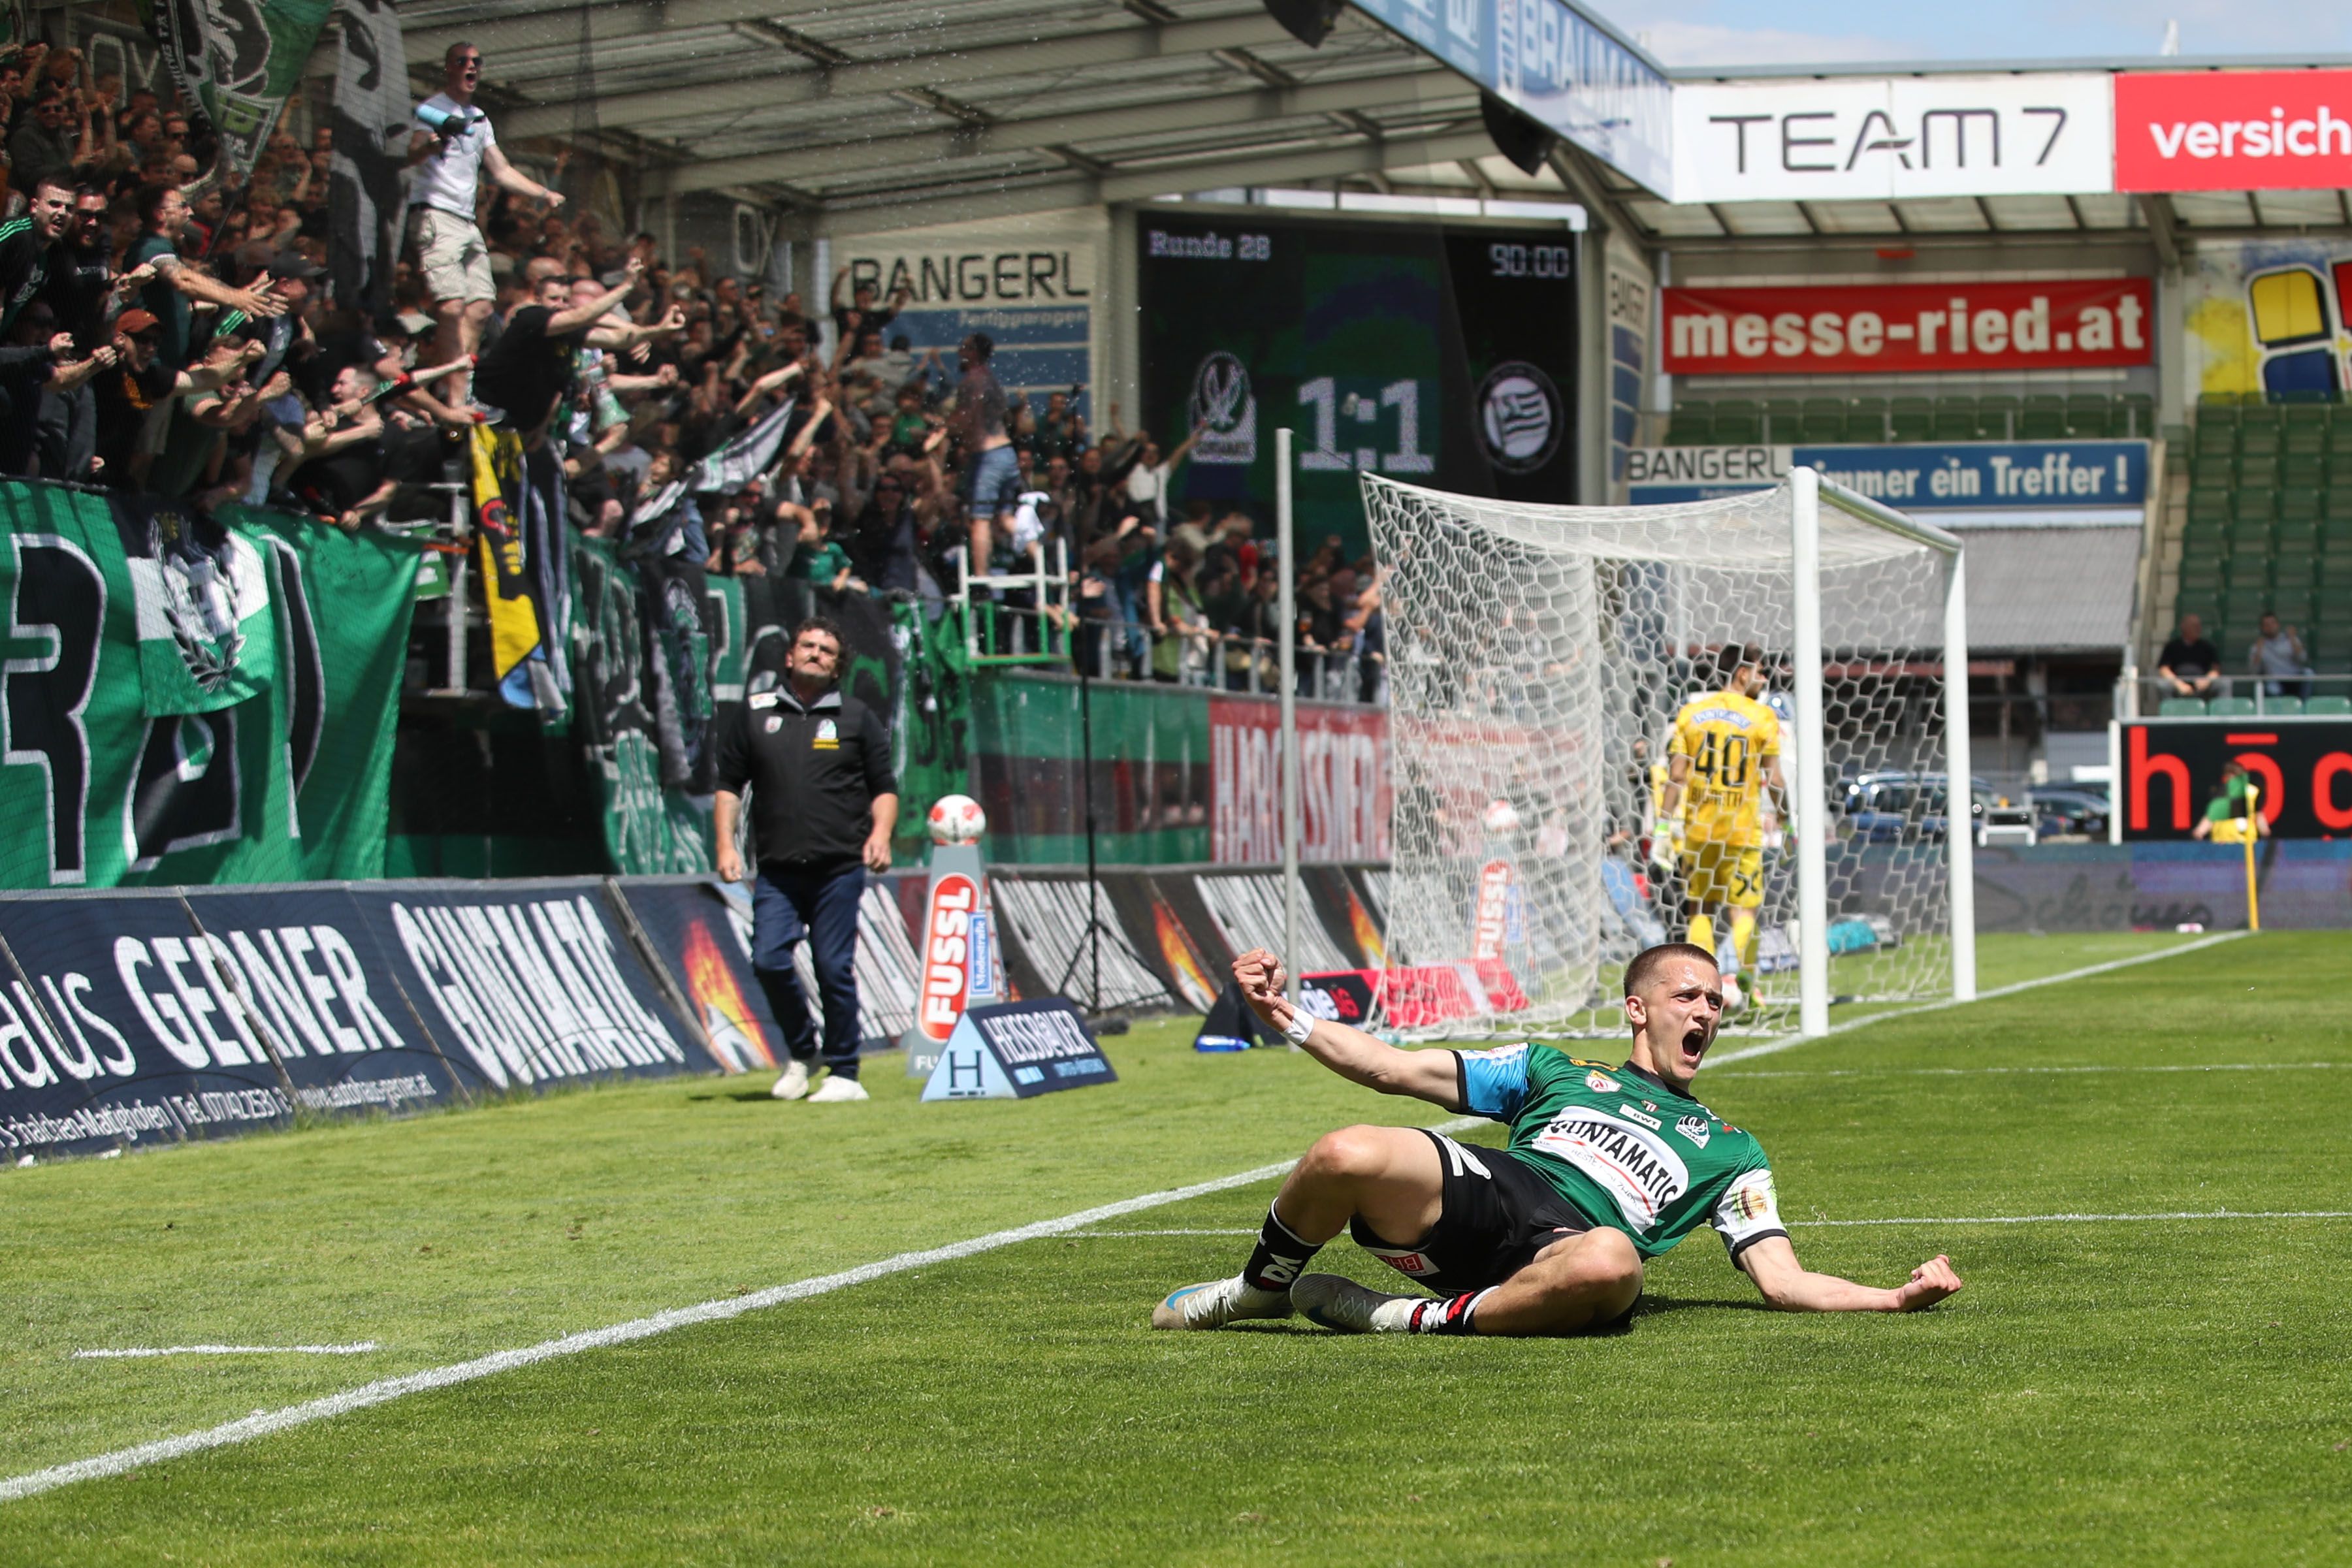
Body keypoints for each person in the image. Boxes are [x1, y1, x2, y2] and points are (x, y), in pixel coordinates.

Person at [1153, 942, 1963, 1335]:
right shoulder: (1553, 1067)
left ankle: (1404, 1319)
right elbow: (1389, 1069)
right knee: (1345, 1151)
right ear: (1638, 1008)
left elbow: (1781, 1282)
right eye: (1689, 995)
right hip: (1492, 1190)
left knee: (1615, 1263)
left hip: (1569, 1251)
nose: (1707, 1012)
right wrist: (1283, 1015)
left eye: (1716, 1001)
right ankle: (1259, 1288)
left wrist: (1892, 1297)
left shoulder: (1732, 1150)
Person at [713, 617, 899, 1105]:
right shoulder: (754, 715)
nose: (817, 653)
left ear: (839, 665)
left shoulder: (858, 717)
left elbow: (884, 788)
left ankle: (845, 1071)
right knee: (769, 960)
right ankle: (803, 1051)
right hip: (776, 868)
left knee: (832, 965)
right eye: (808, 645)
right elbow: (730, 786)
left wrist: (880, 834)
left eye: (828, 650)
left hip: (839, 867)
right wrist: (726, 846)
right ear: (789, 656)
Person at [408, 40, 564, 405]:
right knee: (449, 307)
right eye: (463, 61)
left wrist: (542, 192)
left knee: (478, 308)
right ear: (449, 68)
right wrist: (431, 147)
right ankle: (457, 395)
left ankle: (459, 386)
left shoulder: (479, 119)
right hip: (436, 213)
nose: (471, 67)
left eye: (477, 61)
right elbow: (410, 155)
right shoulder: (431, 109)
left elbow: (502, 169)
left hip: (465, 222)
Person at [1654, 645, 1785, 1012]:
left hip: (1699, 831)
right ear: (1742, 673)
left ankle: (1703, 994)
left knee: (1700, 910)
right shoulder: (1760, 717)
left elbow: (1677, 774)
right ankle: (1747, 985)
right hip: (1741, 833)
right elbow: (1773, 779)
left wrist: (1663, 827)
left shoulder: (1691, 715)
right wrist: (1786, 817)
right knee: (1744, 913)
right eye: (1760, 671)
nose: (1764, 679)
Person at [2191, 760, 2266, 844]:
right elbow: (2209, 820)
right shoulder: (2219, 797)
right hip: (2222, 846)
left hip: (2246, 846)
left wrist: (2266, 834)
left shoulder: (2251, 794)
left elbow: (2259, 816)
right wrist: (2199, 832)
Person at [2247, 611, 2310, 700]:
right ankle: (2278, 713)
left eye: (2272, 623)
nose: (2270, 627)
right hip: (2275, 680)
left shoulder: (2291, 640)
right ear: (2262, 628)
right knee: (2272, 688)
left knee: (2308, 673)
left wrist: (2293, 639)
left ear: (2278, 625)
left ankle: (2304, 708)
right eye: (2266, 625)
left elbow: (2303, 659)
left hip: (2294, 677)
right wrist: (2259, 651)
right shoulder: (2257, 646)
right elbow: (2253, 672)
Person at [2157, 613, 2221, 699]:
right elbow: (2164, 669)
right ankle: (2170, 712)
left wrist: (2207, 680)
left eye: (2199, 626)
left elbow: (2216, 669)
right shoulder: (2172, 646)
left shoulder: (2207, 646)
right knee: (2163, 685)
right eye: (2194, 626)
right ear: (2184, 627)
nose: (2198, 629)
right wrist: (2179, 684)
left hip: (2202, 682)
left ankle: (2223, 712)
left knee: (2223, 684)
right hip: (2179, 682)